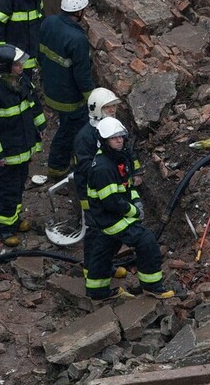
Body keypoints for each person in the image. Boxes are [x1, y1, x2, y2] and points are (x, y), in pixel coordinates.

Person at [85, 117, 173, 300]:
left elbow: (127, 186)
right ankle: (152, 286)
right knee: (146, 240)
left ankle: (97, 292)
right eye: (113, 137)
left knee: (104, 249)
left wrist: (136, 201)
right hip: (111, 218)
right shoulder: (103, 168)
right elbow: (112, 202)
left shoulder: (118, 157)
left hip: (111, 216)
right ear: (104, 141)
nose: (118, 140)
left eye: (120, 136)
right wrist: (134, 211)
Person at [0, 44, 46, 247]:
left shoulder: (20, 80)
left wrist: (40, 124)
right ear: (6, 67)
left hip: (22, 147)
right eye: (17, 64)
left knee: (18, 186)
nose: (21, 67)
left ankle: (14, 220)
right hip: (7, 154)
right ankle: (5, 230)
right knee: (8, 192)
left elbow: (33, 103)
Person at [37, 0, 94, 179]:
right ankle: (57, 166)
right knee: (69, 130)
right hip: (68, 97)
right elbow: (82, 75)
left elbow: (41, 52)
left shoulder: (49, 22)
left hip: (51, 88)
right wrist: (92, 99)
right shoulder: (78, 39)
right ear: (79, 12)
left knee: (67, 125)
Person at [74, 88, 130, 280]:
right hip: (92, 194)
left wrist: (134, 172)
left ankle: (107, 265)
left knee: (113, 231)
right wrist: (107, 173)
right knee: (96, 232)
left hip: (114, 190)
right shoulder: (86, 136)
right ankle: (92, 269)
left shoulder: (115, 129)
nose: (113, 110)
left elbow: (128, 154)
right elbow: (84, 167)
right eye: (108, 107)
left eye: (114, 107)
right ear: (96, 109)